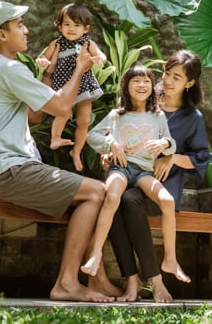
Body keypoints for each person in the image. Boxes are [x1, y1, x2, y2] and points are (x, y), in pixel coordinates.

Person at [0, 0, 115, 302]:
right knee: (96, 193)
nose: (27, 30)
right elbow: (62, 106)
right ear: (1, 34)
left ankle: (96, 279)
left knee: (87, 199)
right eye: (19, 25)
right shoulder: (7, 68)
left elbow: (36, 115)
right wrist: (80, 69)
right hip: (7, 168)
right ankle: (66, 283)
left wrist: (49, 75)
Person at [108, 50, 212, 303]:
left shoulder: (192, 118)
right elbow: (117, 126)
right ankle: (132, 282)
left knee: (129, 201)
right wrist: (111, 148)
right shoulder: (146, 99)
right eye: (167, 72)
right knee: (110, 201)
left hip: (162, 186)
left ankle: (154, 281)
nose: (167, 80)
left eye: (177, 77)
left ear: (189, 83)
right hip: (128, 174)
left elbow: (202, 157)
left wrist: (172, 157)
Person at [82, 63, 191, 286]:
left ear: (152, 86)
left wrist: (163, 142)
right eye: (136, 81)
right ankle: (95, 255)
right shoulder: (116, 115)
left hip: (143, 171)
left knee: (167, 201)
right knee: (111, 196)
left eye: (146, 81)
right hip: (121, 168)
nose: (141, 85)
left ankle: (170, 259)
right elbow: (92, 136)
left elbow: (171, 144)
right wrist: (110, 144)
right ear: (126, 86)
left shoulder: (158, 116)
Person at [36, 3, 106, 172]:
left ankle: (77, 151)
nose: (71, 29)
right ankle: (56, 138)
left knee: (84, 121)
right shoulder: (56, 43)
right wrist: (43, 61)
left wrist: (99, 59)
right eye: (67, 24)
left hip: (83, 85)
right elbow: (43, 57)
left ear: (86, 28)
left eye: (77, 25)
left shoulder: (88, 43)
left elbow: (100, 55)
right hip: (63, 87)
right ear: (59, 26)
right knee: (63, 112)